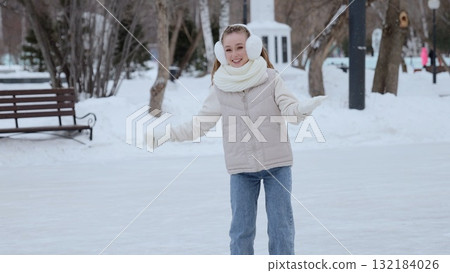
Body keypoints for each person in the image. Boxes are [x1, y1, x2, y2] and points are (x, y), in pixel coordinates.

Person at [155, 24, 325, 255]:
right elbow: (200, 124)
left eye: (240, 47)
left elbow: (289, 109)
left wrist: (301, 109)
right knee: (241, 232)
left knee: (280, 228)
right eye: (228, 49)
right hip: (241, 169)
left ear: (253, 47)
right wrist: (168, 134)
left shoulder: (271, 78)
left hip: (277, 166)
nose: (235, 54)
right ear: (220, 53)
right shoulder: (220, 87)